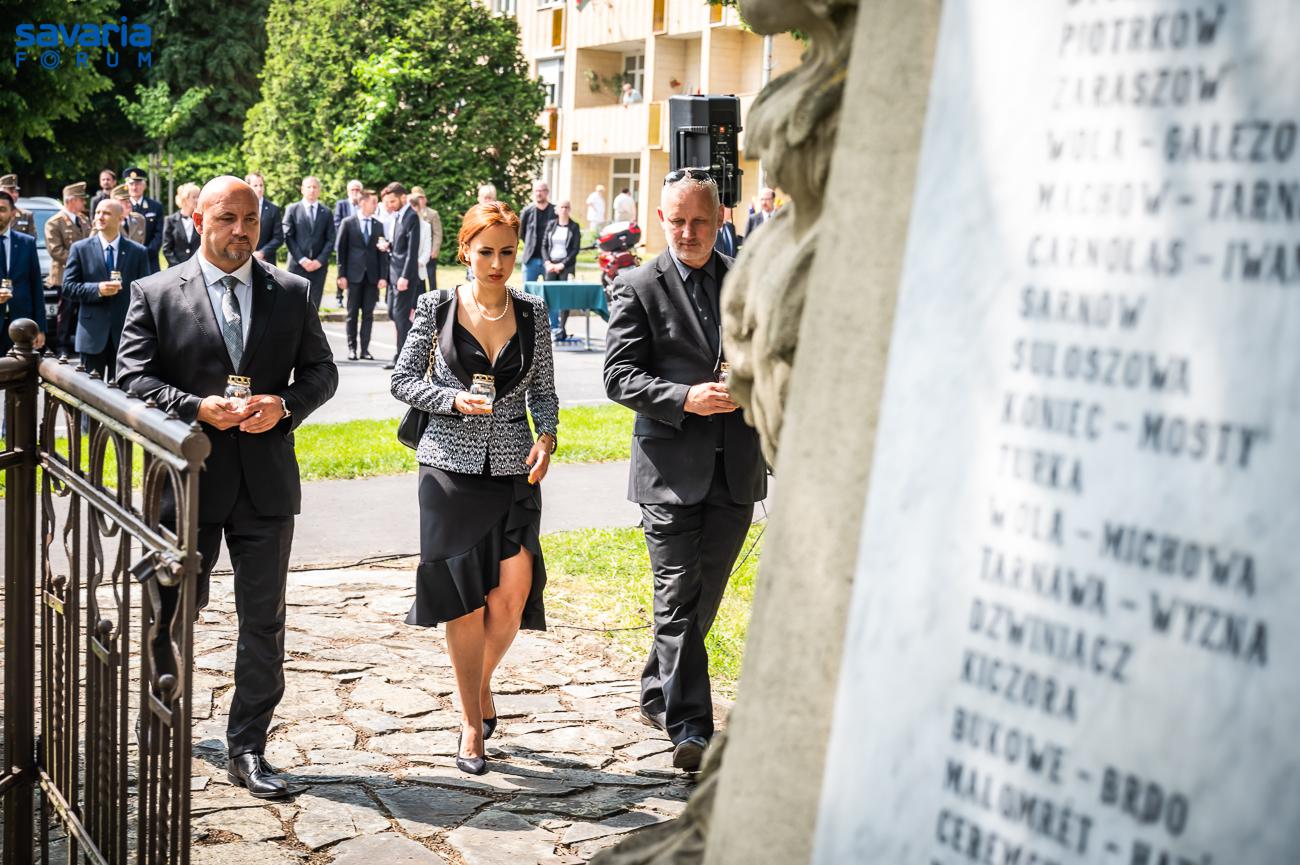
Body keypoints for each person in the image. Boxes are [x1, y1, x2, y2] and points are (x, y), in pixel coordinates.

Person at [117, 175, 338, 800]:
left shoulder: (291, 292)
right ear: (197, 219)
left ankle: (248, 746)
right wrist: (195, 408)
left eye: (251, 219)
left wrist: (285, 404)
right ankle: (161, 722)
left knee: (263, 621)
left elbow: (322, 371)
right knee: (171, 611)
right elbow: (131, 378)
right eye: (227, 219)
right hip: (186, 485)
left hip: (266, 485)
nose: (241, 231)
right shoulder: (155, 292)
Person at [602, 169, 767, 773]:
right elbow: (618, 376)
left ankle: (657, 688)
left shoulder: (747, 281)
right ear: (661, 220)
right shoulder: (636, 285)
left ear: (721, 218)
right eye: (677, 221)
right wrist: (684, 397)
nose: (688, 232)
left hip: (737, 469)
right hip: (668, 471)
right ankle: (692, 728)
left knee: (702, 599)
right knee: (676, 596)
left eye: (700, 221)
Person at [390, 201, 558, 776]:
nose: (497, 263)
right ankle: (469, 723)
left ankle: (479, 684)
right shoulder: (435, 307)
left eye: (507, 252)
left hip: (514, 468)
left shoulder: (533, 312)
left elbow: (544, 393)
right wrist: (451, 399)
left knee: (511, 598)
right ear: (465, 250)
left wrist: (547, 438)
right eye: (485, 252)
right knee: (463, 601)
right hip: (448, 471)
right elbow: (402, 381)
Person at [61, 199, 149, 379]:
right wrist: (97, 289)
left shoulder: (138, 252)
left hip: (125, 336)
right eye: (98, 212)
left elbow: (146, 292)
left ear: (120, 218)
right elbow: (68, 287)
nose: (100, 217)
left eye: (106, 213)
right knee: (89, 392)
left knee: (123, 392)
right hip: (91, 335)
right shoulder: (80, 249)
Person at [335, 189, 388, 361]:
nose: (376, 205)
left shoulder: (378, 225)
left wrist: (383, 276)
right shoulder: (348, 223)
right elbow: (341, 250)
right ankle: (352, 349)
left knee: (368, 314)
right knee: (352, 314)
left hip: (372, 277)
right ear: (363, 203)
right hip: (353, 276)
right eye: (373, 202)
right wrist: (341, 275)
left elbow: (382, 253)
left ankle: (365, 350)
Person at [380, 182, 422, 369]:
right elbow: (400, 246)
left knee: (400, 316)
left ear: (403, 198)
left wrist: (405, 276)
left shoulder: (411, 217)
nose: (389, 205)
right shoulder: (398, 216)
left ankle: (402, 358)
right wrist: (388, 245)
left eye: (392, 201)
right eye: (387, 202)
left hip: (404, 276)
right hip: (393, 274)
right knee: (393, 313)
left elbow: (412, 252)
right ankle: (411, 351)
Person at [46, 182, 91, 354]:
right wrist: (79, 261)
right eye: (81, 199)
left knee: (82, 312)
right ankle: (62, 345)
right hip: (65, 275)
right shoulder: (55, 222)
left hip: (84, 275)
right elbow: (55, 250)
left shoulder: (84, 220)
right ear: (71, 201)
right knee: (65, 312)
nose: (84, 203)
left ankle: (80, 343)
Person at [0, 191, 47, 354]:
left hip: (21, 325)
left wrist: (40, 328)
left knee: (19, 370)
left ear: (13, 213)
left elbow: (36, 286)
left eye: (2, 209)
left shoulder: (27, 243)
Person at [283, 176, 335, 310]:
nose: (312, 190)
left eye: (315, 187)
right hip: (297, 266)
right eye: (309, 187)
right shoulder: (292, 209)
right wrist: (302, 259)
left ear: (319, 190)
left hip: (319, 268)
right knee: (294, 305)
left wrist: (319, 261)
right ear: (302, 189)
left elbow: (331, 239)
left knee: (313, 307)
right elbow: (288, 236)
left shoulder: (326, 212)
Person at [541, 200, 581, 341]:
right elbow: (544, 245)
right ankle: (547, 327)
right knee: (548, 297)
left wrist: (562, 265)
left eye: (566, 207)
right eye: (561, 207)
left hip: (566, 266)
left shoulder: (574, 226)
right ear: (557, 210)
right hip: (550, 265)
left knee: (565, 298)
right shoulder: (551, 224)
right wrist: (547, 262)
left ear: (569, 209)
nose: (564, 209)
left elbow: (575, 249)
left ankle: (562, 329)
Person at [122, 166, 164, 273]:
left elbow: (158, 234)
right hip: (125, 259)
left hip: (149, 259)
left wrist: (144, 252)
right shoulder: (121, 207)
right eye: (131, 184)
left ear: (144, 186)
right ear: (126, 186)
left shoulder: (155, 206)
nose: (134, 187)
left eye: (138, 183)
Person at [519, 181, 556, 288]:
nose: (539, 193)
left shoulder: (555, 211)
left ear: (547, 192)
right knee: (527, 292)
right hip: (530, 259)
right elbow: (521, 233)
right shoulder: (527, 211)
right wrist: (530, 243)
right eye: (537, 191)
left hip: (550, 260)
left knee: (551, 292)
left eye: (542, 190)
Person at [333, 179, 364, 306]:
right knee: (341, 269)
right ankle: (339, 296)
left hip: (359, 245)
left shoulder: (363, 205)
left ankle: (359, 297)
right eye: (352, 189)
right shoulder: (342, 204)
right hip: (344, 242)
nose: (355, 192)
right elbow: (337, 222)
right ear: (348, 191)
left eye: (357, 189)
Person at [410, 186, 443, 292]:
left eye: (421, 198)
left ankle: (434, 296)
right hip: (417, 251)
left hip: (429, 251)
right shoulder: (411, 213)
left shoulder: (432, 213)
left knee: (431, 276)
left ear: (425, 199)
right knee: (419, 278)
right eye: (416, 198)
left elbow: (437, 233)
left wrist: (435, 249)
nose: (419, 201)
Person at [246, 172, 284, 264]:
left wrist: (262, 252)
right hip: (244, 259)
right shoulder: (240, 208)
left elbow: (279, 237)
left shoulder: (273, 209)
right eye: (255, 185)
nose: (259, 189)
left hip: (267, 261)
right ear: (248, 187)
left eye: (261, 185)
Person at [162, 182, 202, 267]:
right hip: (176, 269)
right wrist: (180, 268)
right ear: (185, 199)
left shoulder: (202, 220)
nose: (197, 200)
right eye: (194, 197)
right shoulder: (170, 220)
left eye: (199, 197)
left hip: (197, 268)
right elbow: (167, 249)